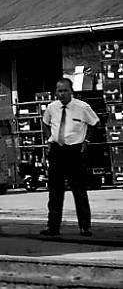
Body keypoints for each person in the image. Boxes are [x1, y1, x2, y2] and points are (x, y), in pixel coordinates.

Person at [40, 78, 99, 238]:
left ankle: (84, 226)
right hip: (57, 151)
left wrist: (87, 141)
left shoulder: (82, 107)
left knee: (79, 190)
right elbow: (45, 123)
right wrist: (49, 138)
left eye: (65, 90)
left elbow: (95, 123)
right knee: (55, 191)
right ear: (55, 92)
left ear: (71, 91)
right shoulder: (52, 108)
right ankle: (53, 227)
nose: (62, 94)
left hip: (75, 151)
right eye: (59, 91)